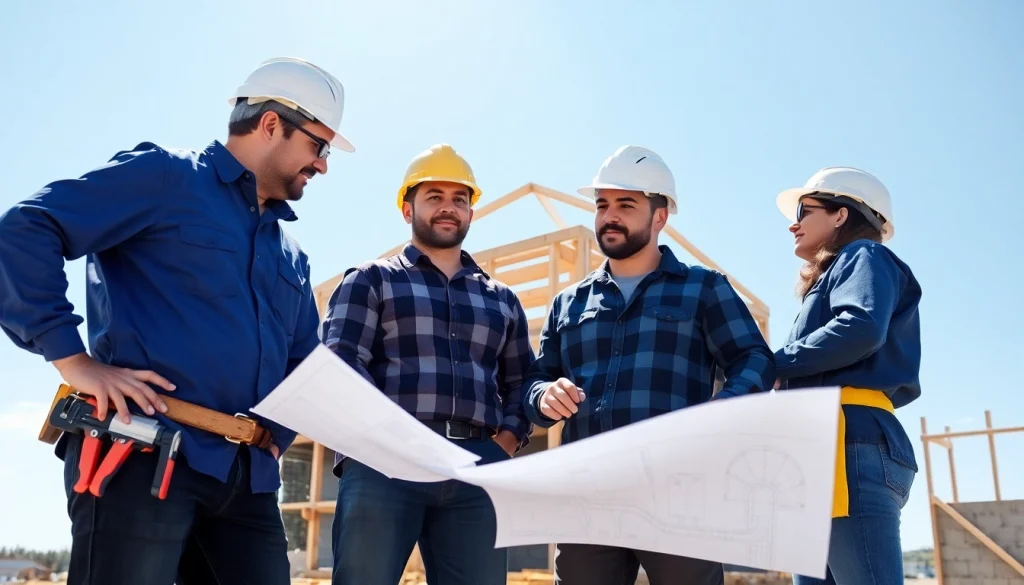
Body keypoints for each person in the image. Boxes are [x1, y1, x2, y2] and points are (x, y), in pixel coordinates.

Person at [0, 57, 355, 585]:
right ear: (272, 124)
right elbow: (26, 229)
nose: (323, 164)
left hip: (249, 483)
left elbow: (301, 359)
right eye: (319, 145)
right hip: (144, 458)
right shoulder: (165, 177)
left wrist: (277, 436)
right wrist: (72, 360)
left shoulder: (291, 254)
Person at [522, 145, 777, 585]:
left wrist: (725, 406)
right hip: (587, 494)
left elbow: (754, 358)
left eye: (626, 204)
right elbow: (535, 380)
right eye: (602, 205)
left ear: (660, 216)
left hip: (679, 490)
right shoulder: (569, 303)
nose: (609, 216)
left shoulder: (703, 288)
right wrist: (543, 395)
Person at [320, 143, 536, 585]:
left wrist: (505, 444)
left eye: (460, 199)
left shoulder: (501, 299)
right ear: (407, 208)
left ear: (471, 213)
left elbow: (522, 380)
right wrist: (384, 439)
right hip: (385, 463)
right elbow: (341, 364)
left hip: (475, 464)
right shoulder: (371, 280)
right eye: (434, 196)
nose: (448, 208)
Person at [772, 167, 921, 585]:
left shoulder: (864, 257)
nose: (793, 223)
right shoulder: (839, 274)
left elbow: (860, 327)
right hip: (823, 445)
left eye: (805, 210)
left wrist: (773, 364)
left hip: (848, 442)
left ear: (842, 214)